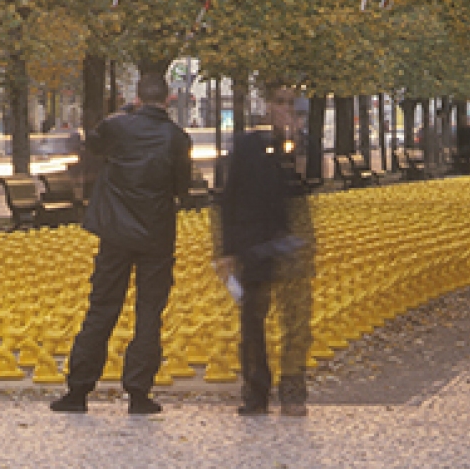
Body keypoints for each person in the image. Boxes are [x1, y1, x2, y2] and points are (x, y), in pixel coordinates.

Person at [51, 74, 192, 415]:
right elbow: (182, 188)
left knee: (102, 307)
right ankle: (139, 393)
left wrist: (127, 111)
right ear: (168, 99)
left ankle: (78, 390)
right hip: (156, 235)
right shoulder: (176, 137)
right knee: (149, 313)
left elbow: (93, 142)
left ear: (137, 98)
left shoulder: (117, 128)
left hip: (115, 232)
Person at [216, 85, 315, 417]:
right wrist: (227, 249)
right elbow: (228, 197)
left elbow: (310, 185)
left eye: (292, 105)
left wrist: (294, 147)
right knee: (253, 322)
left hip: (293, 245)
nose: (285, 110)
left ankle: (293, 391)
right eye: (280, 102)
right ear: (268, 105)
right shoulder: (248, 145)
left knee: (296, 324)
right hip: (254, 245)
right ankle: (256, 392)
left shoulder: (304, 146)